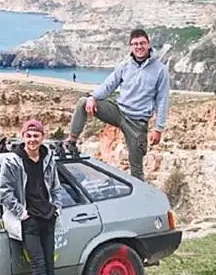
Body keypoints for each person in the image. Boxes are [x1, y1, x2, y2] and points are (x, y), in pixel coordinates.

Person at [0, 118, 77, 275]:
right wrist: (21, 212)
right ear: (23, 137)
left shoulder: (48, 158)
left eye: (36, 136)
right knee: (38, 265)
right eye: (29, 136)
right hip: (28, 221)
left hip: (47, 217)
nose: (32, 140)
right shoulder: (12, 161)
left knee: (50, 264)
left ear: (43, 137)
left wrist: (57, 208)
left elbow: (56, 187)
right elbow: (3, 192)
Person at [64, 28, 169, 181]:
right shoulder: (124, 66)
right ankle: (71, 142)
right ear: (130, 47)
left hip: (137, 122)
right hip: (118, 112)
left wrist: (159, 128)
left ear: (148, 45)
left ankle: (139, 201)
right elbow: (108, 85)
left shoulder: (160, 70)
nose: (139, 47)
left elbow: (163, 99)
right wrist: (93, 97)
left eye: (142, 43)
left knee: (137, 170)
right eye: (135, 44)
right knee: (83, 102)